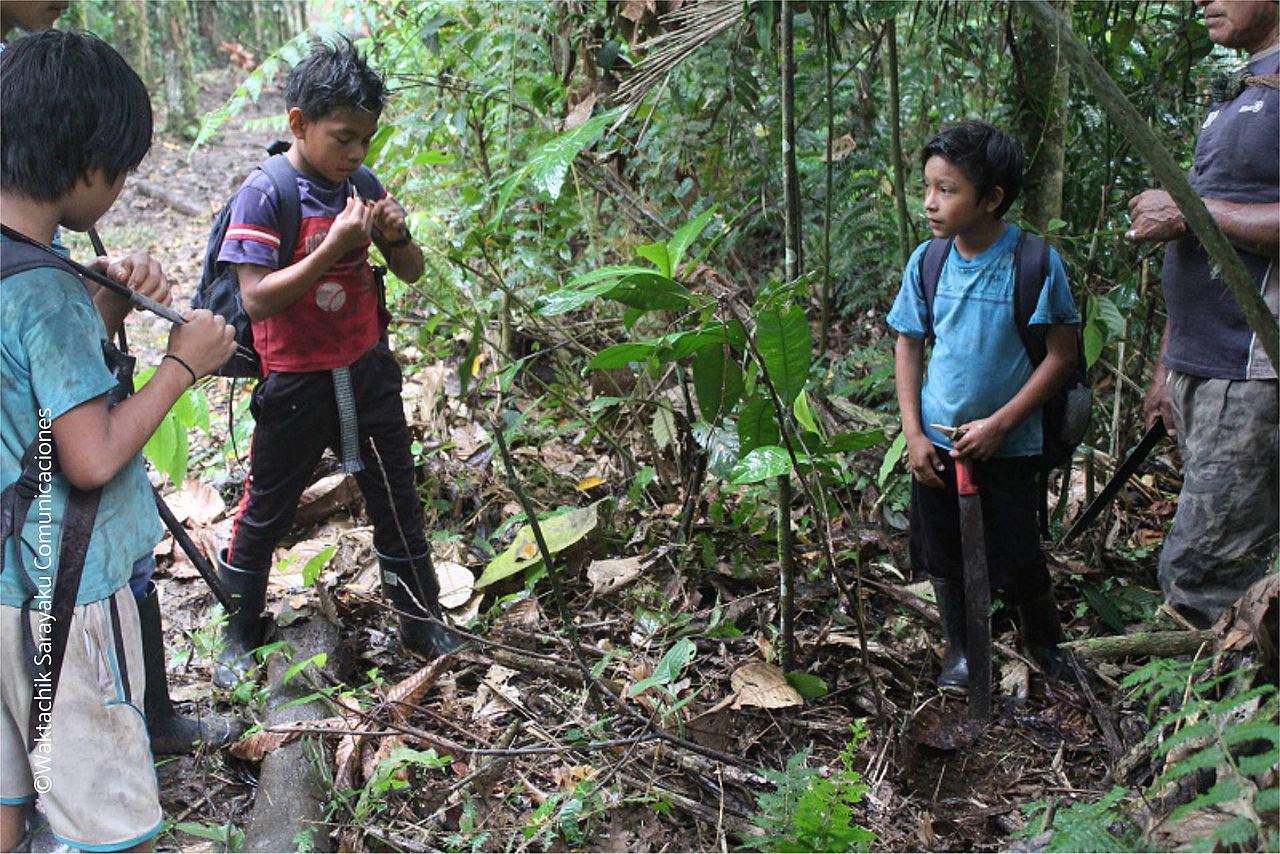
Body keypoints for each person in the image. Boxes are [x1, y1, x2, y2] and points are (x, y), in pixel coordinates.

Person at [0, 31, 237, 852]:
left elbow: (28, 391)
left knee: (10, 786)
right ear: (84, 165)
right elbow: (90, 454)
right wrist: (182, 365)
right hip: (64, 595)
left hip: (4, 589)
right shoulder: (45, 288)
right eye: (124, 169)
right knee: (105, 815)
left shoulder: (20, 272)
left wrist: (103, 316)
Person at [213, 39, 458, 688]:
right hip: (295, 380)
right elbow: (257, 297)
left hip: (366, 369)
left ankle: (420, 616)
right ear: (298, 124)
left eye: (365, 142)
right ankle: (237, 634)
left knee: (396, 492)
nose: (354, 155)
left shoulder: (363, 186)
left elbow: (410, 272)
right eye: (343, 138)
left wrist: (395, 236)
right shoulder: (266, 195)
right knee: (267, 504)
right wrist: (334, 248)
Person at [888, 121, 1081, 691]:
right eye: (927, 187)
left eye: (947, 190)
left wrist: (1001, 424)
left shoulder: (1035, 263)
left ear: (991, 197)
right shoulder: (928, 262)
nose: (930, 202)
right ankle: (963, 652)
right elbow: (908, 343)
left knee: (1017, 549)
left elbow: (1061, 356)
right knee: (942, 551)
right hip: (939, 445)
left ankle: (1044, 644)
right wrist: (914, 435)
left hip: (1010, 445)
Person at [1128, 0, 1279, 629]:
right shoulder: (1242, 92)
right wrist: (1169, 364)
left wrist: (1188, 210)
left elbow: (1201, 220)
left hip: (1252, 367)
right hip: (1206, 365)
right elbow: (1205, 246)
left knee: (1203, 577)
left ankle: (1207, 722)